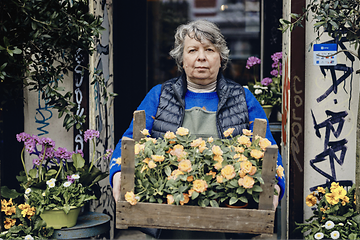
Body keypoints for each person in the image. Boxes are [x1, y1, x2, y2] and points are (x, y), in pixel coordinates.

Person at [110, 19, 285, 239]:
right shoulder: (160, 95)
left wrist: (276, 185)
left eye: (209, 50)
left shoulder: (242, 97)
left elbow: (268, 148)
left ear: (220, 57)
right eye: (192, 50)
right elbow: (129, 141)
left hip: (230, 215)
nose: (201, 57)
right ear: (181, 59)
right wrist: (117, 174)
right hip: (166, 214)